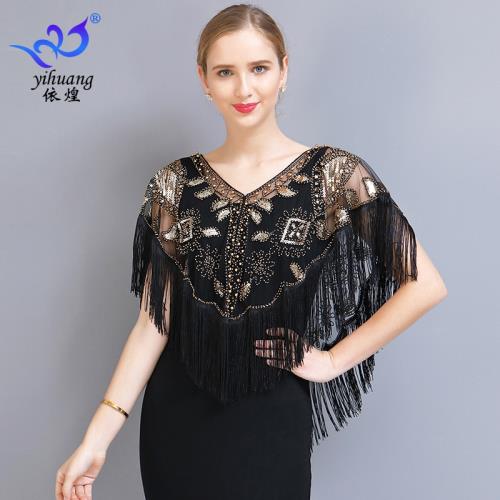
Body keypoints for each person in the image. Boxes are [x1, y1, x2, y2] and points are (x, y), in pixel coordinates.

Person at [55, 4, 448, 500]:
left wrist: (332, 361)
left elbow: (424, 284)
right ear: (204, 80)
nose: (244, 89)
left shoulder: (333, 175)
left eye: (259, 68)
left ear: (284, 70)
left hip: (272, 421)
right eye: (225, 72)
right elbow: (154, 323)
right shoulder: (174, 184)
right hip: (175, 426)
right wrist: (97, 437)